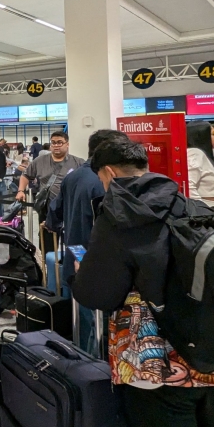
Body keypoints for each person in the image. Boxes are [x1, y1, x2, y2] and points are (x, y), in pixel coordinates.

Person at [72, 138, 214, 427]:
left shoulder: (120, 217)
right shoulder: (192, 204)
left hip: (159, 363)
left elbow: (97, 293)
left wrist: (79, 275)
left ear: (108, 173)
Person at [47, 129, 129, 355]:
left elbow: (55, 215)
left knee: (81, 327)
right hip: (99, 266)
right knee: (99, 330)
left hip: (75, 256)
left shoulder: (73, 176)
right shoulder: (107, 182)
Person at [16, 129, 83, 252]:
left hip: (70, 207)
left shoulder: (78, 162)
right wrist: (20, 190)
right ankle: (47, 267)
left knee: (74, 240)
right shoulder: (39, 161)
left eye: (60, 142)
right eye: (53, 143)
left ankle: (73, 267)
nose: (56, 145)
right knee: (47, 243)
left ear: (67, 144)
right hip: (47, 208)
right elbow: (26, 175)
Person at [185, 120, 214, 214]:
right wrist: (201, 211)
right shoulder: (195, 153)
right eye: (212, 134)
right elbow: (189, 185)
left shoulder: (206, 154)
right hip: (209, 210)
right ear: (202, 136)